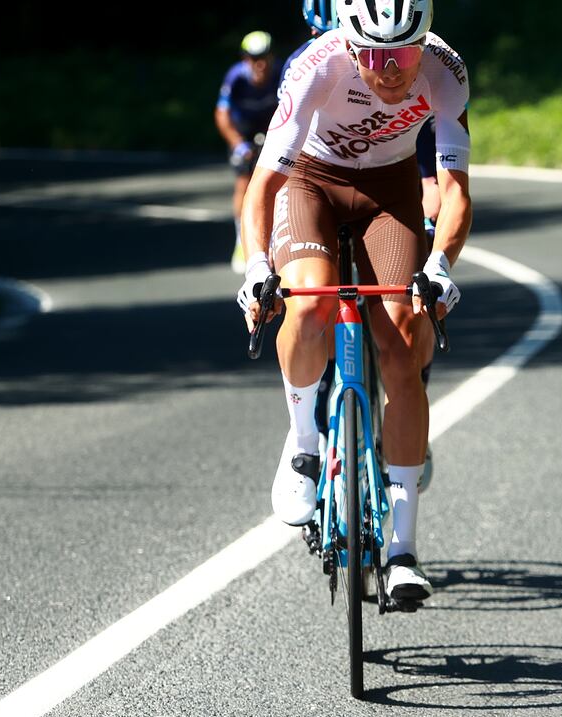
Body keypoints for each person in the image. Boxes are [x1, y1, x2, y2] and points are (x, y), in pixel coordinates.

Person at [237, 0, 470, 601]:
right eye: (374, 55)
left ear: (424, 41)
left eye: (403, 53)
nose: (390, 69)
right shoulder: (316, 65)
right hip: (310, 180)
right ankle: (304, 449)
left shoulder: (446, 70)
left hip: (388, 191)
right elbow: (264, 185)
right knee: (308, 304)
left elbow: (456, 190)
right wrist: (258, 267)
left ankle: (403, 551)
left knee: (403, 338)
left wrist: (440, 267)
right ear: (349, 43)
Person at [217, 31, 286, 273]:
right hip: (244, 132)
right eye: (253, 57)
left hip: (273, 127)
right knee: (244, 182)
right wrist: (237, 143)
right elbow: (222, 114)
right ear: (244, 59)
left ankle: (275, 242)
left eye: (264, 56)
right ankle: (240, 240)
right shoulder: (236, 77)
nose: (259, 63)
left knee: (278, 184)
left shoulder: (281, 72)